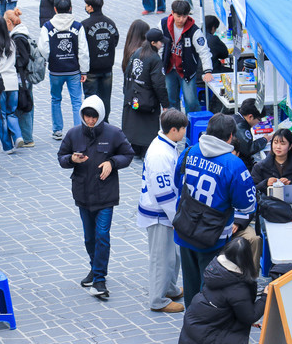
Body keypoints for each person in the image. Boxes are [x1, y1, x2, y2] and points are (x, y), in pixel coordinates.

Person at [174, 113, 257, 308]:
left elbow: (178, 184)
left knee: (190, 283)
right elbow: (247, 205)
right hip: (213, 236)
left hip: (185, 229)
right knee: (210, 287)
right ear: (230, 136)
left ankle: (191, 324)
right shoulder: (233, 164)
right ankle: (205, 328)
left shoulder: (189, 152)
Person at [57, 95, 135, 297]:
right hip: (83, 194)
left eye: (94, 117)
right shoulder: (74, 134)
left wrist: (112, 162)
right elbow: (61, 158)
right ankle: (95, 267)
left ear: (100, 116)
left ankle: (100, 279)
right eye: (87, 116)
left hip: (105, 194)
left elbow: (128, 154)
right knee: (89, 238)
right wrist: (72, 159)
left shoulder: (113, 133)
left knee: (102, 235)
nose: (90, 120)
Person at [176, 237, 268, 344]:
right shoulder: (238, 288)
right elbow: (249, 316)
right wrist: (265, 297)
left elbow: (224, 306)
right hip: (208, 342)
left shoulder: (215, 269)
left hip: (193, 336)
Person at [137, 109, 188, 313]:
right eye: (183, 128)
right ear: (174, 130)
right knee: (161, 257)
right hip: (159, 213)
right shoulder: (160, 154)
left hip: (164, 211)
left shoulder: (166, 145)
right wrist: (177, 217)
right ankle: (158, 300)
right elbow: (163, 192)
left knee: (171, 255)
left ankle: (170, 287)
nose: (185, 132)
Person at [38, 0, 89, 140]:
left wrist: (51, 58)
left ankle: (57, 130)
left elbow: (43, 47)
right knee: (76, 101)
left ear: (55, 9)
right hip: (73, 70)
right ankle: (78, 129)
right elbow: (83, 50)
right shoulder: (77, 26)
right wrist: (84, 69)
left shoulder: (47, 26)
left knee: (55, 99)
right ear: (71, 8)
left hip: (56, 70)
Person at [122, 28, 170, 158]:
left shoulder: (137, 52)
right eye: (160, 42)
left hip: (134, 97)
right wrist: (165, 103)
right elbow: (159, 84)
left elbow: (127, 74)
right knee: (148, 125)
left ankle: (135, 148)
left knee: (134, 122)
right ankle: (145, 151)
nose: (162, 44)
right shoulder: (155, 59)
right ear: (153, 43)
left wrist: (126, 93)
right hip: (148, 100)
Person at [160, 0, 213, 113]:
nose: (181, 20)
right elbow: (157, 44)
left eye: (184, 16)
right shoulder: (163, 24)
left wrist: (207, 71)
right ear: (172, 13)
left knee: (191, 101)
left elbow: (204, 51)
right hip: (169, 69)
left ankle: (192, 126)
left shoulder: (194, 31)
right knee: (171, 101)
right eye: (178, 16)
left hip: (187, 71)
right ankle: (174, 125)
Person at [82, 0, 119, 122]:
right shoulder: (110, 22)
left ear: (90, 7)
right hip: (107, 68)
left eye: (86, 5)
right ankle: (105, 121)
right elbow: (115, 41)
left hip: (91, 70)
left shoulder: (85, 25)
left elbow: (81, 47)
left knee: (90, 100)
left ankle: (92, 123)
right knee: (105, 99)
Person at [0, 15, 23, 154]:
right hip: (13, 82)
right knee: (11, 112)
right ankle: (18, 135)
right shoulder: (12, 44)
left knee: (0, 116)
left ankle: (7, 146)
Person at [230, 137, 262, 272]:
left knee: (254, 239)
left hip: (237, 224)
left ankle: (251, 279)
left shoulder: (241, 172)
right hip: (216, 225)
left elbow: (250, 205)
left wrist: (237, 222)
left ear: (237, 153)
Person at [5, 8, 35, 147]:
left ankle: (27, 137)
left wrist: (13, 63)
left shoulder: (18, 37)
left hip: (22, 77)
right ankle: (25, 136)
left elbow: (23, 59)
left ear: (9, 22)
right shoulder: (22, 33)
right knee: (26, 104)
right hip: (25, 76)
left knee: (24, 106)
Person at [251, 128, 292, 195]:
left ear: (290, 146)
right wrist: (265, 183)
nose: (278, 147)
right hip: (267, 205)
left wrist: (290, 186)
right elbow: (251, 190)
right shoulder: (259, 167)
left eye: (283, 143)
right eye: (275, 143)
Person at [233, 98, 271, 171]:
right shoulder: (240, 126)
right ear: (250, 117)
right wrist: (264, 139)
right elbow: (249, 148)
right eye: (258, 120)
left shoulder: (236, 118)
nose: (258, 123)